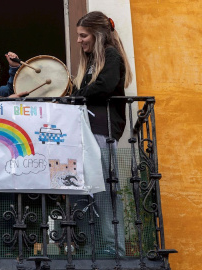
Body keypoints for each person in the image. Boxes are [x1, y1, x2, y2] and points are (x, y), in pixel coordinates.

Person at [71, 11, 133, 257]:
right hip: (88, 132)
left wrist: (77, 95)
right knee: (85, 188)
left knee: (105, 190)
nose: (79, 41)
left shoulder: (111, 55)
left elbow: (104, 86)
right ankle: (89, 245)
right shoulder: (92, 62)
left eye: (83, 35)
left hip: (101, 131)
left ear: (97, 35)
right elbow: (90, 89)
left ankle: (111, 247)